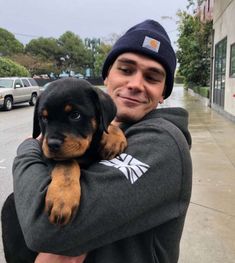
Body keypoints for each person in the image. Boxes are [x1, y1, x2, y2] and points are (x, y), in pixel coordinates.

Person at [8, 19, 192, 263]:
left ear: (163, 94)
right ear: (107, 77)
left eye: (152, 77)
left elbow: (46, 229)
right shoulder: (103, 128)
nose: (135, 84)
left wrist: (27, 150)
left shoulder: (164, 145)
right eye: (126, 70)